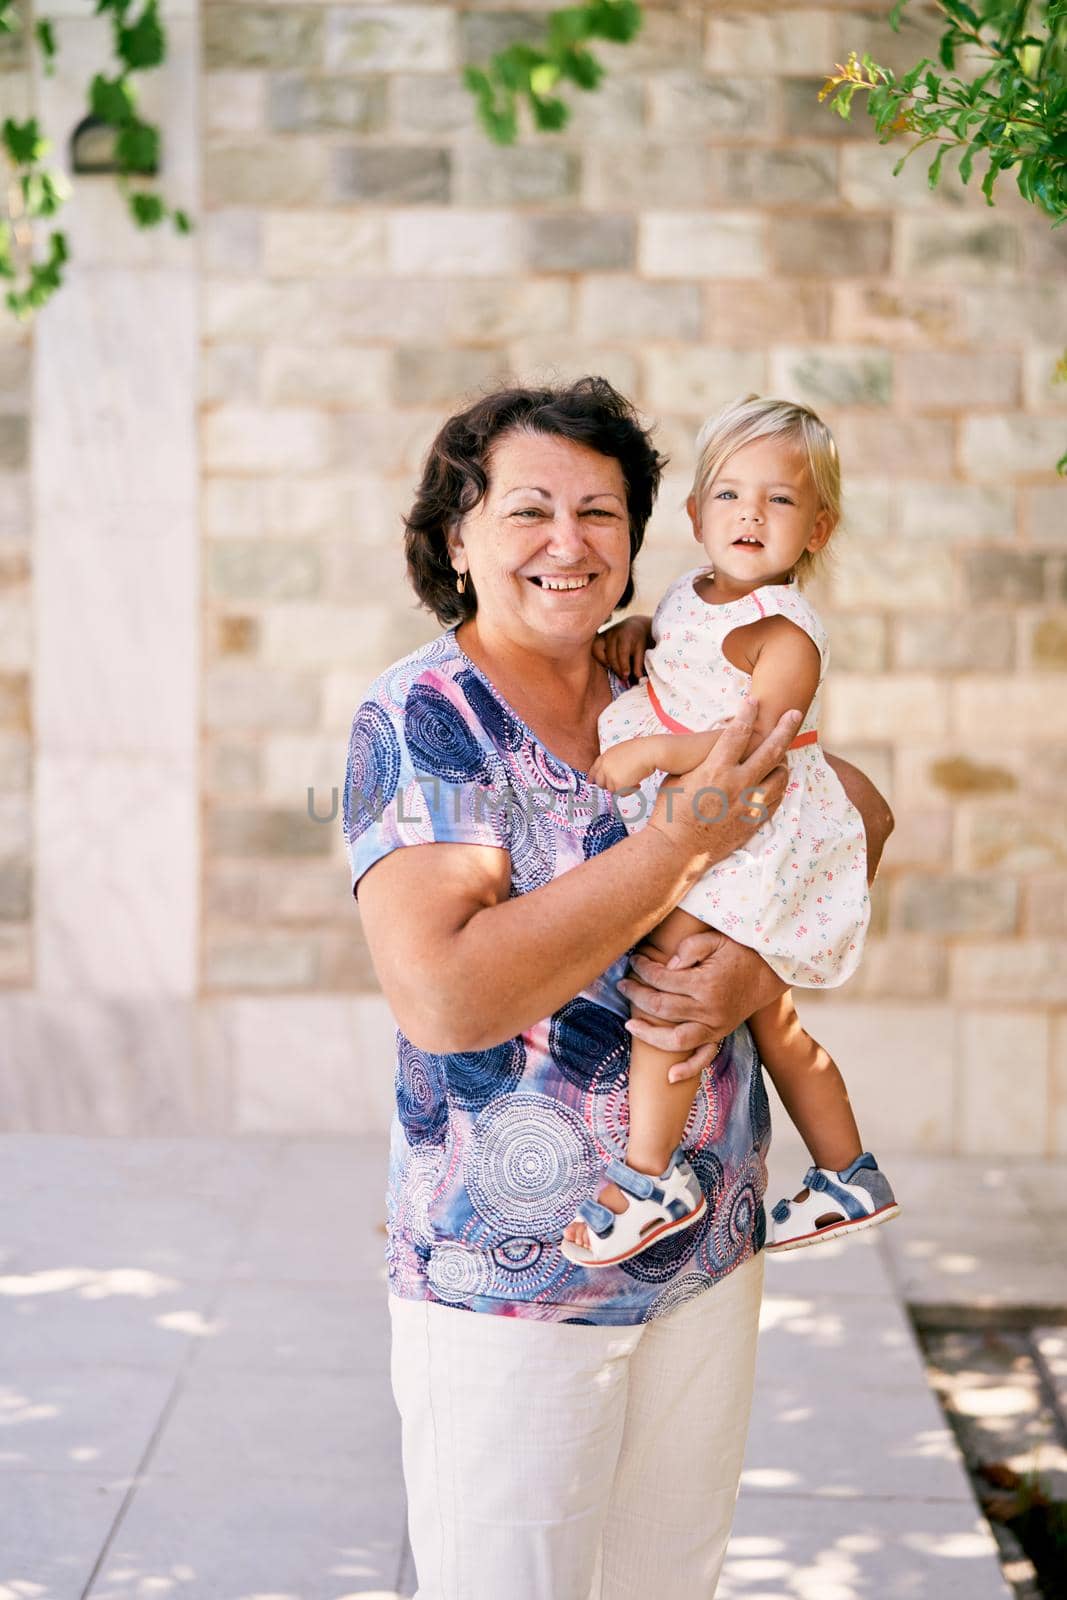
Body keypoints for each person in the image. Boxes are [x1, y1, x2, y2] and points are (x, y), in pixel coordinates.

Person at [342, 378, 894, 1600]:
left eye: (600, 511)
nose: (567, 541)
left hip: (701, 1251)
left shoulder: (654, 673)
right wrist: (676, 850)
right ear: (458, 538)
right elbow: (443, 997)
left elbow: (851, 803)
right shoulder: (423, 718)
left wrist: (751, 954)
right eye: (529, 508)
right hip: (513, 1276)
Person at [561, 396, 899, 1270]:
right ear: (693, 513)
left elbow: (762, 742)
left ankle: (648, 1178)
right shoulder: (692, 595)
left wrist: (651, 752)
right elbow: (683, 650)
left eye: (779, 501)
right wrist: (639, 631)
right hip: (719, 823)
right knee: (774, 1020)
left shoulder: (782, 632)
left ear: (817, 528)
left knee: (673, 986)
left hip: (759, 827)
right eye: (729, 495)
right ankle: (845, 1176)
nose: (750, 515)